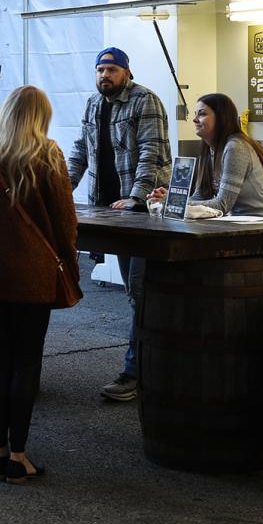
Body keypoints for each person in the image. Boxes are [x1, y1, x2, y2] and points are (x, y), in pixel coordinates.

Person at [0, 85, 80, 482]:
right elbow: (65, 221)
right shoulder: (46, 154)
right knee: (26, 361)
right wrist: (69, 262)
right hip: (31, 274)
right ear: (39, 117)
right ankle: (19, 455)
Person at [67, 47, 171, 403]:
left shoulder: (145, 101)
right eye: (99, 70)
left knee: (140, 292)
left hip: (143, 211)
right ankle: (148, 366)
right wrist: (60, 189)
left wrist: (138, 197)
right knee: (137, 293)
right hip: (110, 211)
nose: (104, 76)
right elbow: (80, 150)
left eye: (111, 70)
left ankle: (135, 373)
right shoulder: (94, 104)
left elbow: (151, 153)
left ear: (127, 72)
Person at [148, 92, 263, 253]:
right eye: (195, 114)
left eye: (202, 114)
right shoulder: (209, 149)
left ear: (221, 118)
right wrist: (173, 198)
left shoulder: (235, 146)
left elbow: (222, 204)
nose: (194, 120)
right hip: (245, 228)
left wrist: (174, 204)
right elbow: (200, 197)